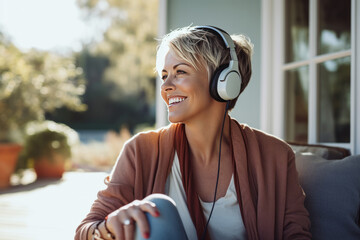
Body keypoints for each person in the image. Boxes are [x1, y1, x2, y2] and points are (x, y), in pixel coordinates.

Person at [75, 25, 311, 240]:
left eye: (180, 72)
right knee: (158, 207)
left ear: (224, 82)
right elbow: (85, 230)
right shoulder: (140, 151)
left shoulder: (276, 155)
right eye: (164, 75)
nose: (166, 86)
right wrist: (107, 228)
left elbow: (297, 234)